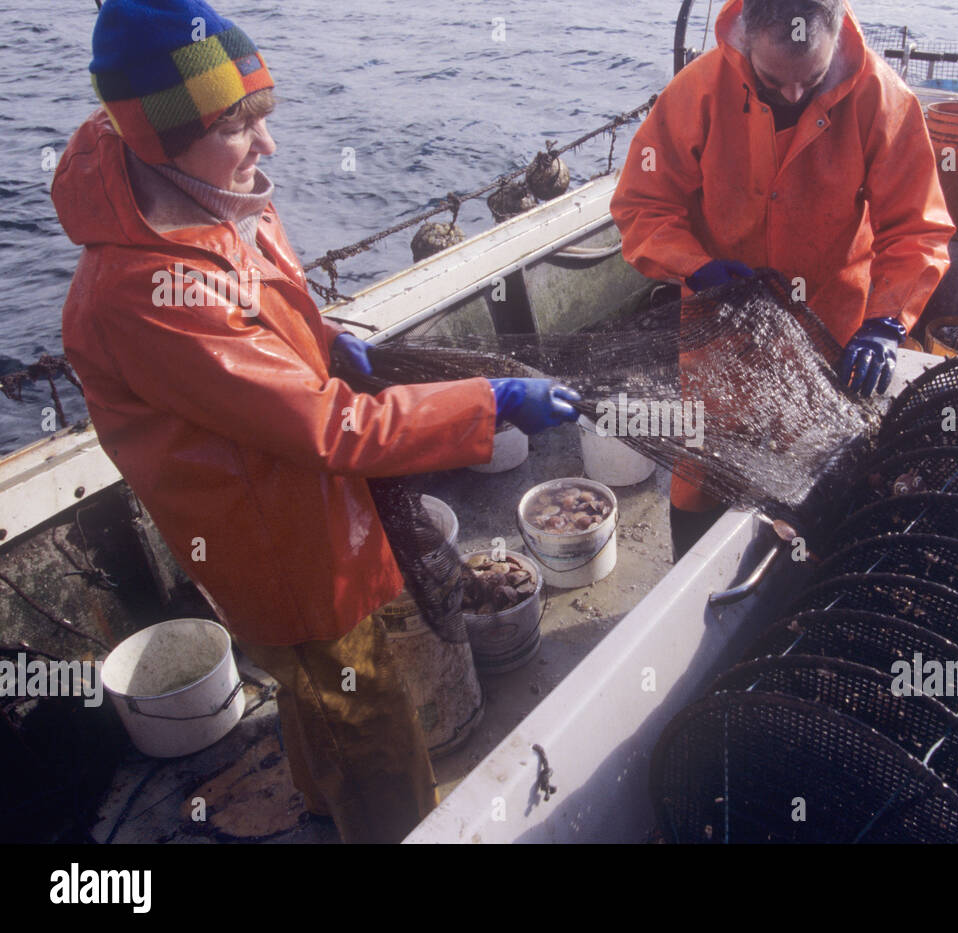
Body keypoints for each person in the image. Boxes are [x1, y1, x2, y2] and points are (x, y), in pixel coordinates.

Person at [53, 0, 579, 843]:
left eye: (264, 117)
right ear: (156, 138)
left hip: (300, 512)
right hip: (276, 550)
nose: (267, 147)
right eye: (238, 128)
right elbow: (331, 430)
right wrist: (490, 401)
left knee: (314, 696)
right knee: (367, 716)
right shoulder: (141, 293)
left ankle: (316, 797)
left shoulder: (202, 187)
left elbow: (258, 313)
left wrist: (323, 335)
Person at [610, 0, 954, 557]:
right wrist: (696, 267)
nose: (793, 95)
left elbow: (916, 230)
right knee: (705, 461)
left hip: (828, 319)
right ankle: (691, 580)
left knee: (814, 462)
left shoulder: (883, 99)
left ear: (837, 37)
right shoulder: (697, 91)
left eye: (810, 79)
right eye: (773, 80)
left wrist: (888, 320)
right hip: (720, 317)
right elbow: (642, 205)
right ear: (744, 42)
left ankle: (794, 576)